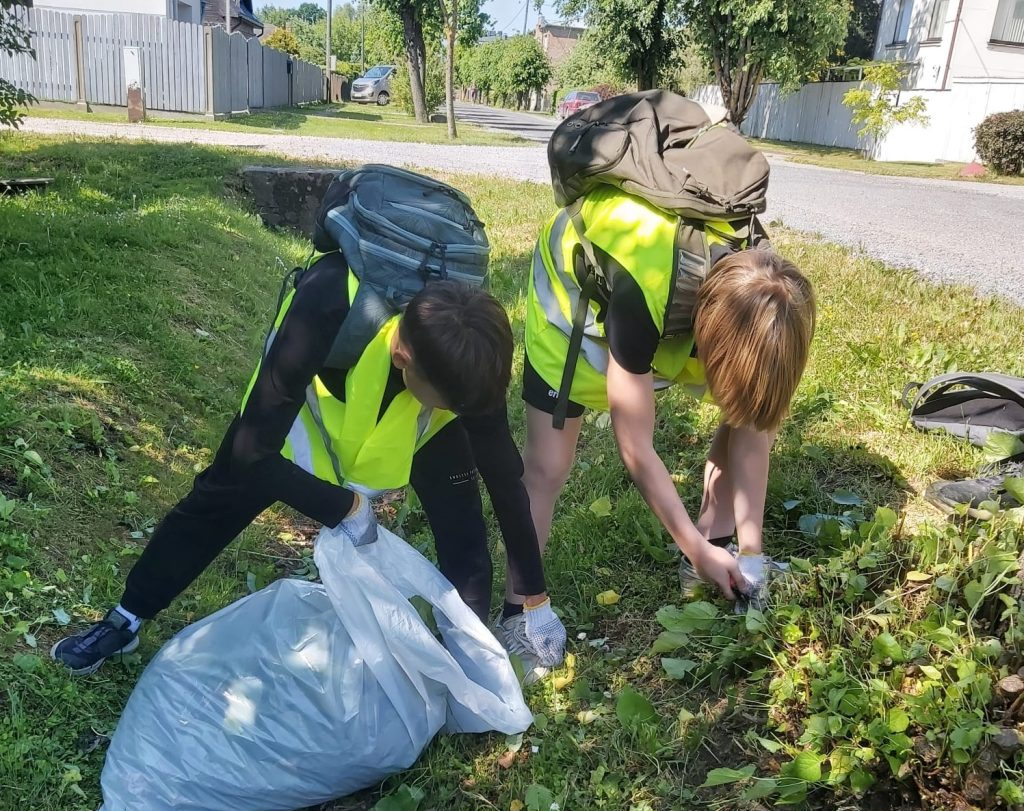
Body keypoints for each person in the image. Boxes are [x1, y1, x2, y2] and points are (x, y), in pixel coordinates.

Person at [52, 252, 567, 682]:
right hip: (300, 416)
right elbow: (251, 453)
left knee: (464, 534)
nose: (459, 413)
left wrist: (534, 596)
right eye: (448, 403)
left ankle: (466, 665)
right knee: (217, 497)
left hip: (413, 415)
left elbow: (503, 476)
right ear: (405, 356)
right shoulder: (326, 304)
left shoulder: (471, 354)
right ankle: (126, 619)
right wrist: (343, 505)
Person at [517, 185, 816, 607]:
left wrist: (753, 552)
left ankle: (720, 551)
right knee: (547, 467)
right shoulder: (643, 296)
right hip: (571, 303)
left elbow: (751, 427)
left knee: (747, 410)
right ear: (710, 341)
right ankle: (522, 610)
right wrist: (690, 545)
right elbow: (635, 447)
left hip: (678, 320)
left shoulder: (767, 297)